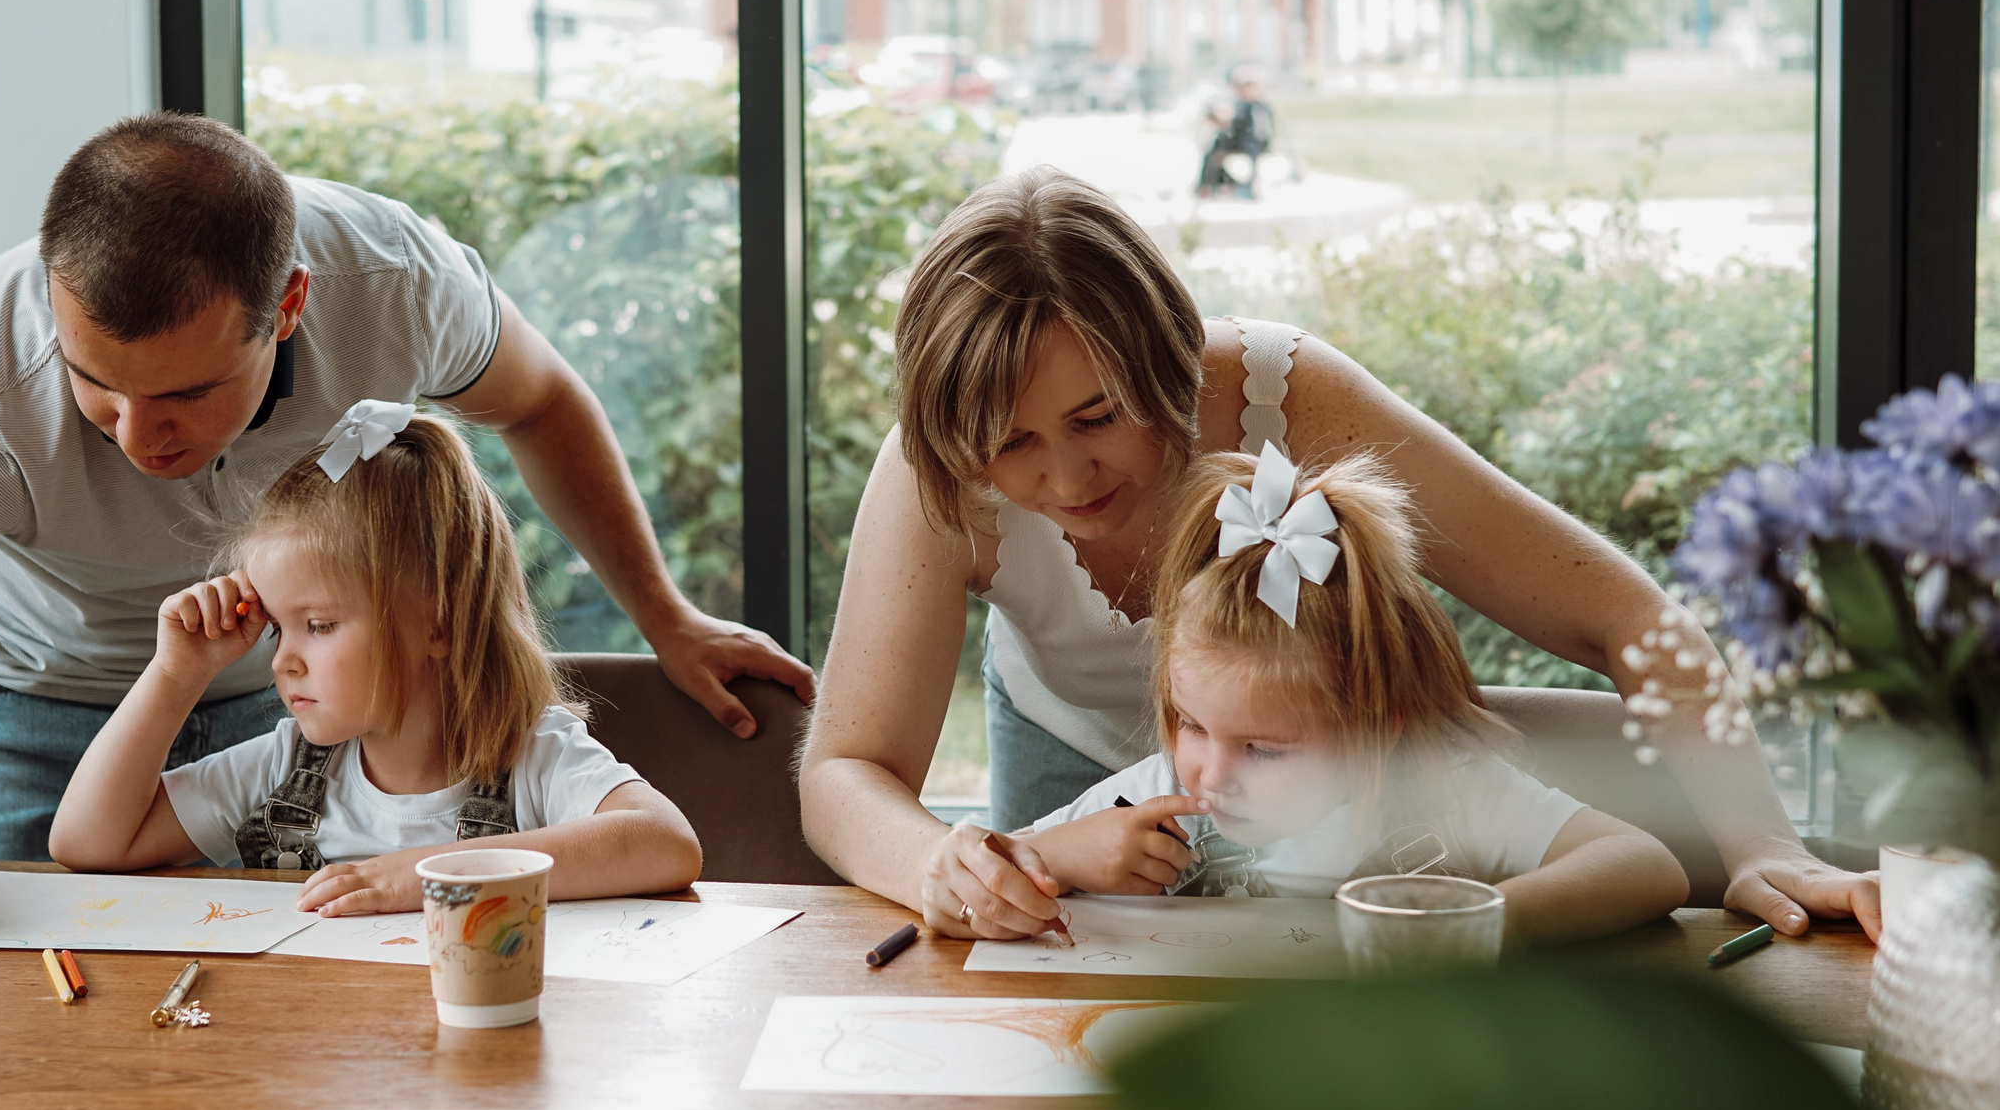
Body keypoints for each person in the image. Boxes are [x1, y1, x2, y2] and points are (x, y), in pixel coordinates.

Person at [0, 114, 802, 928]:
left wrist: (664, 615)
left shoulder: (398, 284)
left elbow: (537, 403)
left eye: (186, 396)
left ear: (289, 307)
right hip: (27, 691)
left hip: (280, 693)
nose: (134, 437)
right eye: (95, 384)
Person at [797, 167, 1881, 942]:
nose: (1066, 480)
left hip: (1359, 806)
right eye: (1014, 449)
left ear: (1168, 358)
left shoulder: (1289, 398)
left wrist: (1759, 846)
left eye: (1100, 417)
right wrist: (944, 866)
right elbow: (845, 771)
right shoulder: (935, 467)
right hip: (1084, 793)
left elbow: (1622, 617)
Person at [1009, 444, 1686, 944]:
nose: (1210, 774)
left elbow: (1647, 866)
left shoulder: (1440, 790)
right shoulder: (1158, 799)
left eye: (1265, 750)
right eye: (1189, 723)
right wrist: (1064, 854)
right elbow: (990, 863)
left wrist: (1473, 924)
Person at [50, 411, 702, 909]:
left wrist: (420, 875)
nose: (284, 662)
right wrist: (176, 674)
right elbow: (87, 842)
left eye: (320, 624)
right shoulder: (281, 767)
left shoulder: (533, 757)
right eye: (279, 628)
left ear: (439, 621)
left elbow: (665, 843)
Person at [1195, 69, 1274, 200]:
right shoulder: (1244, 104)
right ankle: (1211, 185)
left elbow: (1256, 132)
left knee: (1218, 150)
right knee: (1215, 147)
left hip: (1250, 145)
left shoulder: (1255, 106)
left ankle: (1211, 186)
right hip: (1242, 142)